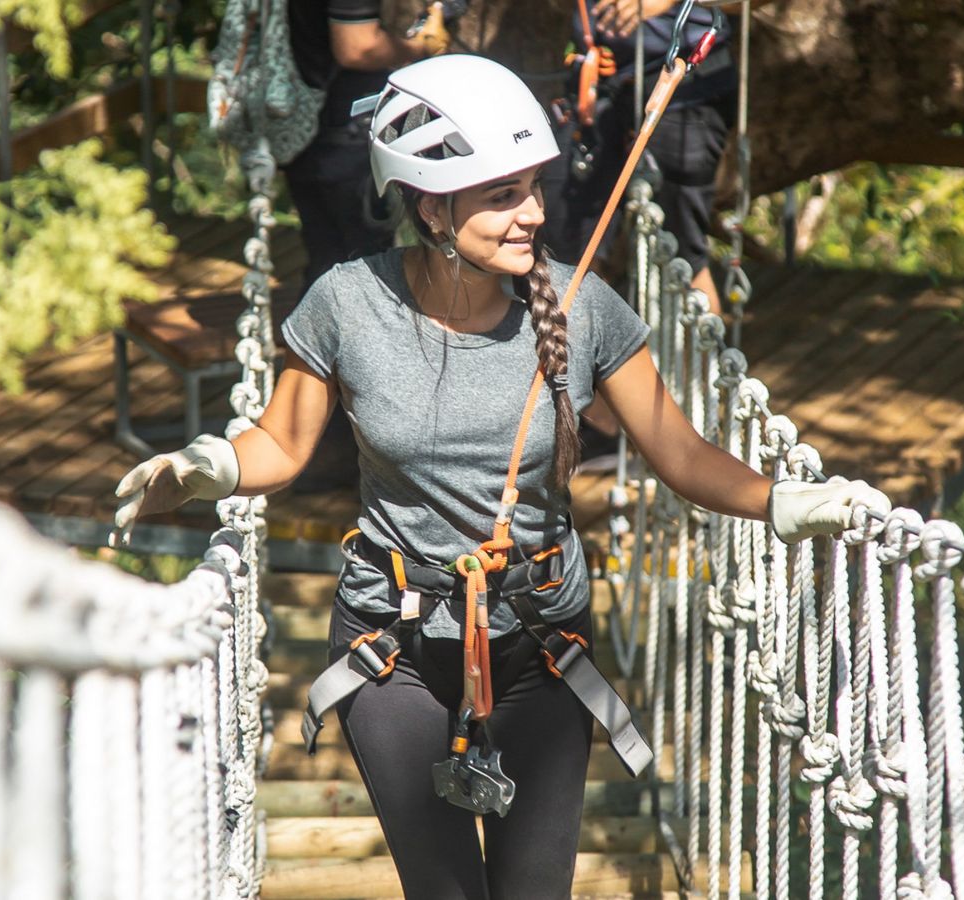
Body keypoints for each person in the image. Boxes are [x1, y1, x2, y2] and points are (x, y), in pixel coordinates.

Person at [113, 54, 888, 900]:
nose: (533, 214)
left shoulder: (583, 307)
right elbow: (281, 443)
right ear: (431, 206)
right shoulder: (346, 304)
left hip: (537, 648)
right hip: (391, 645)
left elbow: (679, 451)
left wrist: (780, 500)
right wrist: (209, 467)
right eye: (503, 196)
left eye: (533, 188)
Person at [542, 0, 741, 313]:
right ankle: (585, 355)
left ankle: (697, 358)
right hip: (598, 85)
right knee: (568, 255)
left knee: (683, 257)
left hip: (684, 85)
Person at [285, 0, 451, 291]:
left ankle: (318, 332)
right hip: (345, 130)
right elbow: (357, 47)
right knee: (366, 266)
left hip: (299, 121)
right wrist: (420, 46)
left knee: (326, 255)